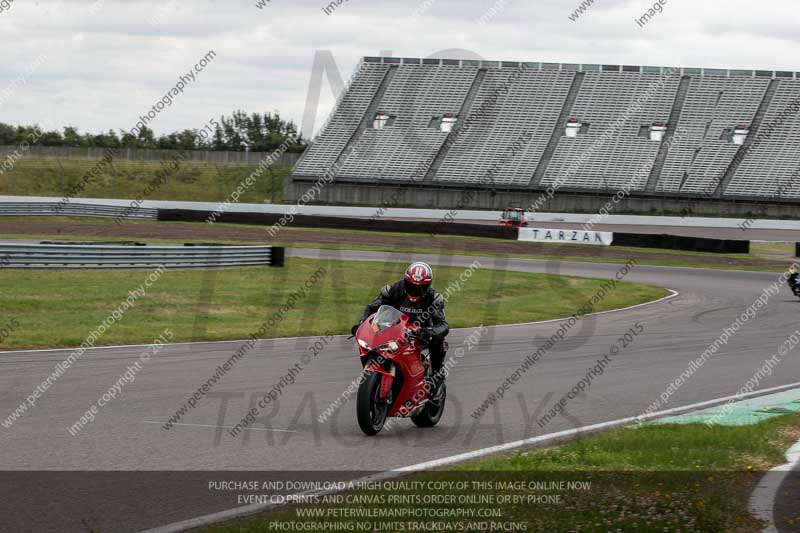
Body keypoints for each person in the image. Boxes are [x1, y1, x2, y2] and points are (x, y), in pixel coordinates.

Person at [352, 262, 449, 396]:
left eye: (420, 288)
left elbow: (443, 325)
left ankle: (437, 377)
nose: (415, 291)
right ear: (405, 282)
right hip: (395, 329)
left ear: (428, 286)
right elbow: (371, 308)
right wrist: (362, 323)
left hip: (421, 332)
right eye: (411, 286)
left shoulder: (434, 298)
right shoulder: (392, 290)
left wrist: (428, 332)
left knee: (439, 342)